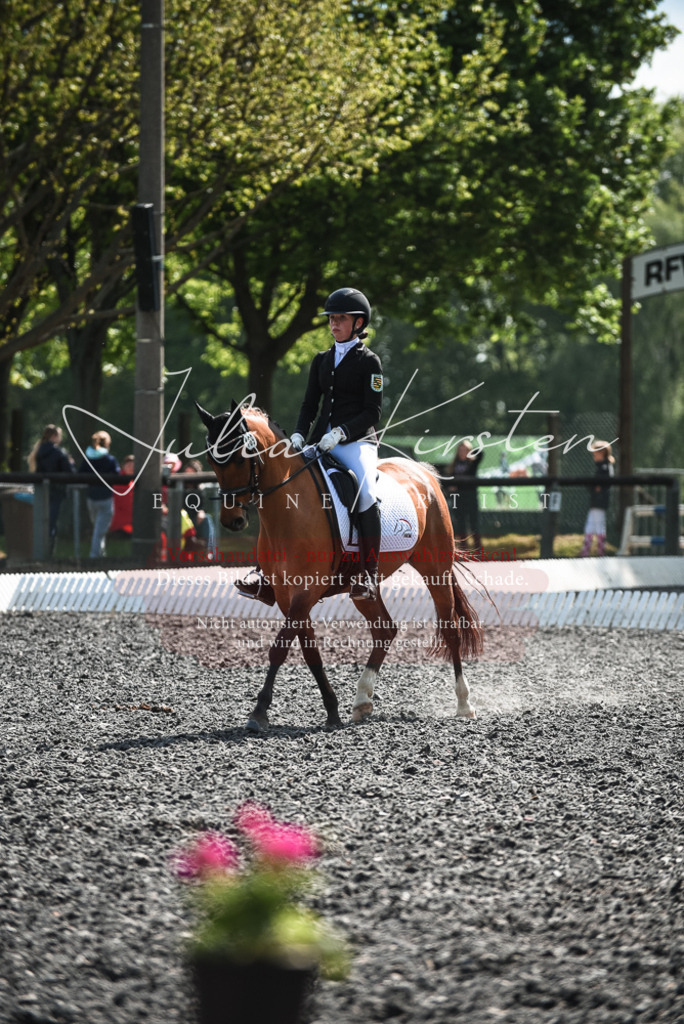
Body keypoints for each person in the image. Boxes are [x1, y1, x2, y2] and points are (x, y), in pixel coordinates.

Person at [237, 286, 383, 603]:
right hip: (318, 440)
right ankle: (264, 572)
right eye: (331, 318)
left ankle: (368, 575)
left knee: (366, 493)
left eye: (340, 319)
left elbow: (372, 412)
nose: (333, 324)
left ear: (358, 323)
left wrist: (341, 433)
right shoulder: (321, 360)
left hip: (356, 442)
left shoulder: (369, 361)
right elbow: (309, 405)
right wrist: (300, 434)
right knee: (278, 488)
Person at [27, 424, 76, 556]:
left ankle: (39, 551)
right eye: (59, 436)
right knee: (51, 523)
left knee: (42, 521)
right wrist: (71, 463)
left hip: (42, 492)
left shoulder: (39, 452)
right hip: (56, 492)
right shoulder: (59, 452)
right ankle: (48, 554)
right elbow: (69, 471)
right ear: (54, 436)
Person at [78, 431, 120, 558]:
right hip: (105, 498)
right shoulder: (109, 459)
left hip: (91, 498)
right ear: (107, 444)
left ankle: (101, 554)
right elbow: (117, 474)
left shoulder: (88, 459)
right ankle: (94, 556)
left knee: (98, 528)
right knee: (99, 531)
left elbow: (80, 473)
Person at [446, 440, 483, 552]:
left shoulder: (472, 463)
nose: (462, 452)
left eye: (465, 449)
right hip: (458, 498)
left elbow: (481, 452)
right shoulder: (454, 465)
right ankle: (464, 551)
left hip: (470, 497)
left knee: (473, 524)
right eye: (460, 449)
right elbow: (451, 480)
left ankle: (478, 550)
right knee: (460, 524)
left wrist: (470, 452)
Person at [580, 440, 615, 557]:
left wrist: (595, 487)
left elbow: (599, 486)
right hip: (596, 500)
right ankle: (587, 550)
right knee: (590, 524)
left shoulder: (605, 468)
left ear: (602, 453)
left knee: (599, 525)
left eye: (596, 452)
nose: (594, 455)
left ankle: (600, 551)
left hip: (600, 500)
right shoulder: (602, 467)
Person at [108, 454, 135, 540]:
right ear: (123, 466)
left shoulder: (134, 482)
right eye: (128, 465)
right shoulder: (120, 483)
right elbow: (128, 506)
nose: (131, 467)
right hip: (122, 526)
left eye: (133, 465)